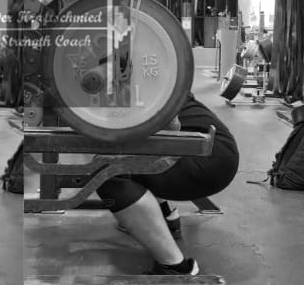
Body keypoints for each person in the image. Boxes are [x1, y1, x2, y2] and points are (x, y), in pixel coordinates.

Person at [96, 92, 239, 276]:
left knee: (108, 172)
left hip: (205, 158)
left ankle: (175, 267)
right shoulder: (148, 80)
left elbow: (171, 129)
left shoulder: (142, 85)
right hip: (217, 152)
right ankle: (165, 217)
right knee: (130, 153)